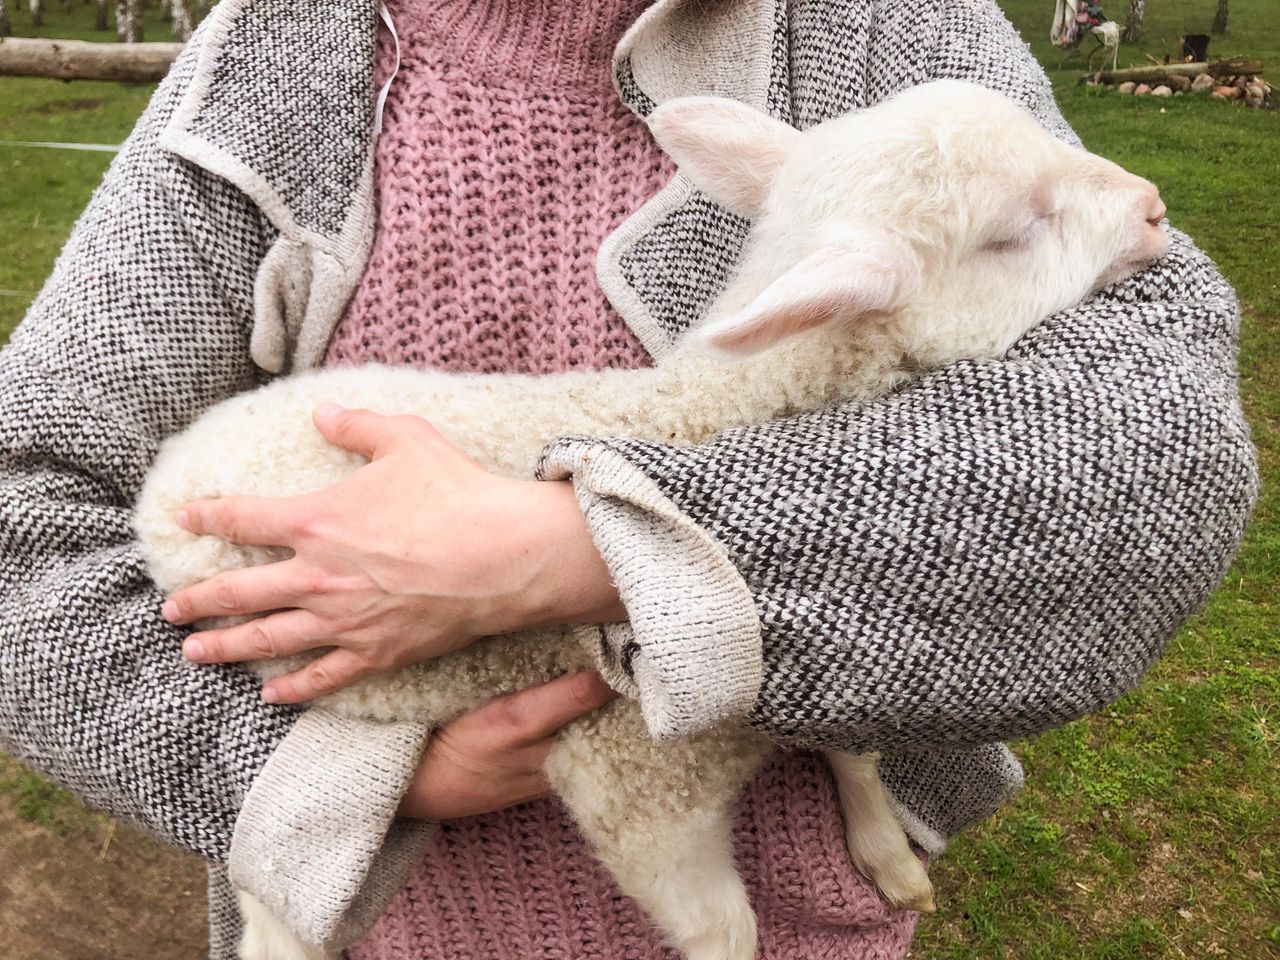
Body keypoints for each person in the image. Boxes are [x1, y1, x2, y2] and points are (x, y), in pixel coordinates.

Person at [0, 0, 1257, 957]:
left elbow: (1152, 422)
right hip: (396, 924)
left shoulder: (882, 24)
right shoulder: (294, 55)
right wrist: (339, 773)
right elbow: (25, 511)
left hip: (784, 912)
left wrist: (584, 549)